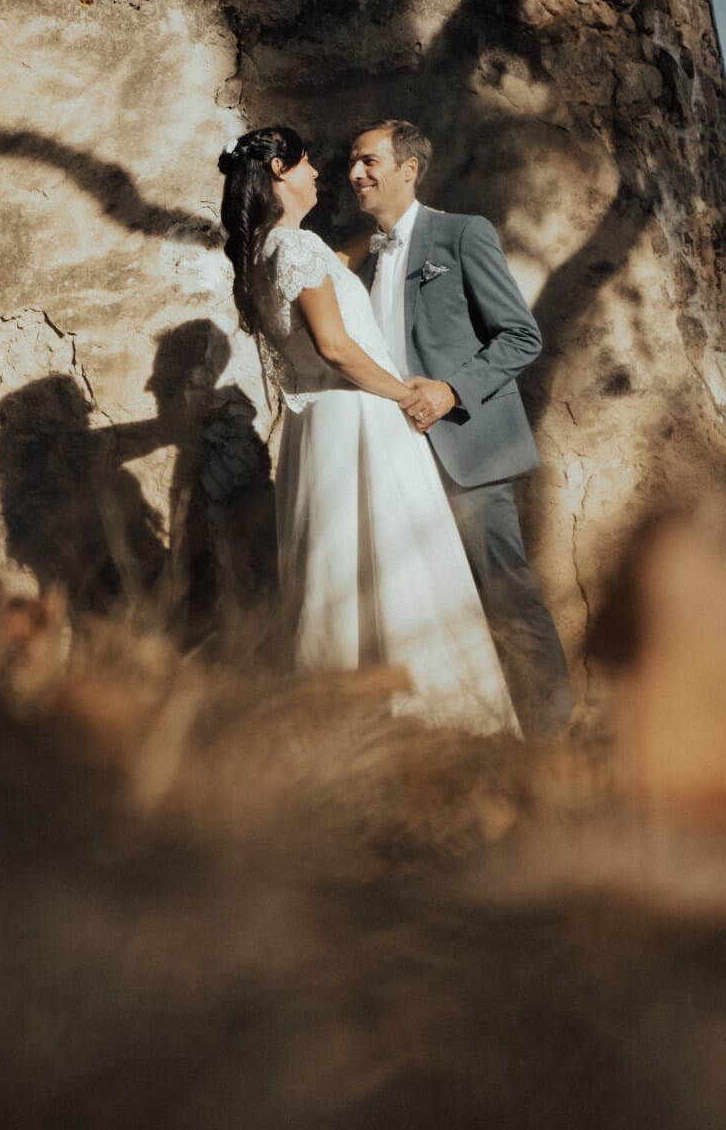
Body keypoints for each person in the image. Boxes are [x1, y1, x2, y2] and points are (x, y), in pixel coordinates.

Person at [217, 127, 519, 736]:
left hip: (318, 430)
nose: (323, 175)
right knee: (396, 566)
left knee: (340, 571)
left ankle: (348, 726)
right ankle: (435, 723)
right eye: (307, 166)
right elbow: (335, 347)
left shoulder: (273, 252)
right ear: (279, 170)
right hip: (358, 417)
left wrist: (400, 228)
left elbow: (350, 260)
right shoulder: (296, 249)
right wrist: (404, 393)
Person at [343, 120, 574, 735]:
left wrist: (451, 390)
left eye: (368, 161)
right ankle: (465, 739)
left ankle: (557, 745)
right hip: (393, 460)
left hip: (464, 453)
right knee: (421, 607)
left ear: (408, 169)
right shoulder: (361, 263)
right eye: (350, 163)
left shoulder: (461, 234)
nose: (354, 175)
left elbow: (522, 335)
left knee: (507, 598)